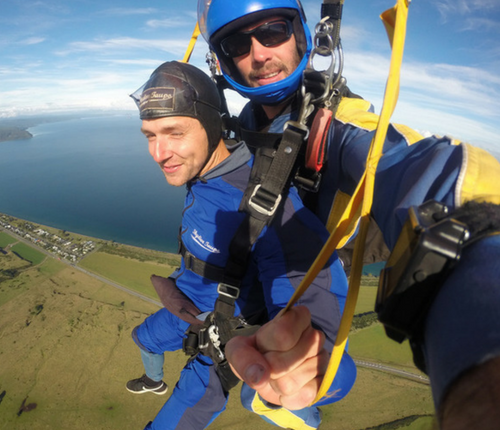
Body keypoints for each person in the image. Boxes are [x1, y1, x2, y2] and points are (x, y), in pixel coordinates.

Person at [197, 0, 500, 428]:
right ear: (222, 61)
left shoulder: (338, 126)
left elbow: (414, 170)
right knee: (257, 390)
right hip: (272, 269)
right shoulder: (248, 124)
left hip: (317, 275)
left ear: (303, 35)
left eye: (272, 31)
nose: (259, 54)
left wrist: (482, 291)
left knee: (269, 395)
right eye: (236, 44)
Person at [126, 60, 356, 429]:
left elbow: (311, 282)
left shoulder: (261, 202)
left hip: (225, 333)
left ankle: (304, 418)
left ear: (214, 125)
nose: (158, 152)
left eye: (173, 132)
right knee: (143, 338)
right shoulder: (204, 172)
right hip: (185, 304)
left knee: (183, 413)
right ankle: (154, 380)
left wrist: (319, 370)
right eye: (150, 135)